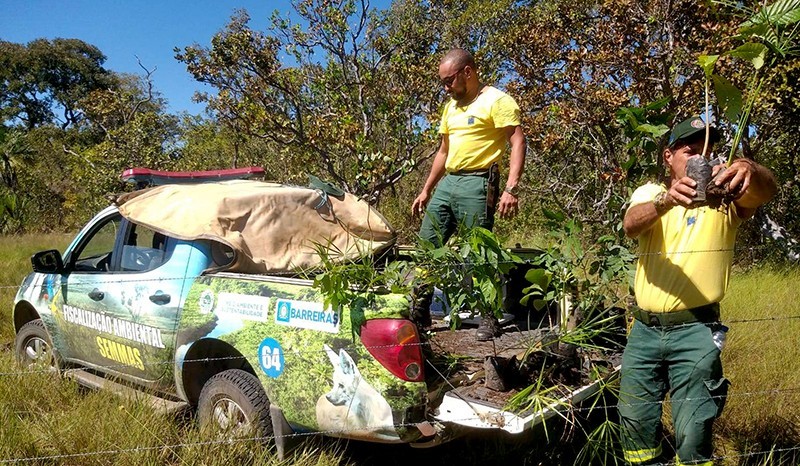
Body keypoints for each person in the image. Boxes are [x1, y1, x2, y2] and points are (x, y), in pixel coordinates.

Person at [618, 116, 777, 465]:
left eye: (707, 151)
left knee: (694, 434)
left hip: (696, 331)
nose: (700, 159)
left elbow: (766, 190)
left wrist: (748, 167)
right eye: (690, 152)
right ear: (668, 157)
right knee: (634, 425)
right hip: (644, 331)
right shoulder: (650, 193)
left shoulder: (724, 200)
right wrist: (667, 201)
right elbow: (630, 225)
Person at [410, 48, 526, 341]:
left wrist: (511, 188)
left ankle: (489, 316)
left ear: (468, 72)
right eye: (443, 82)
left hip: (479, 181)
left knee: (480, 251)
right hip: (450, 181)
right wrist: (426, 189)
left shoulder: (496, 101)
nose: (446, 88)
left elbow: (517, 141)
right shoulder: (451, 107)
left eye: (450, 81)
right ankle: (419, 311)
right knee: (428, 244)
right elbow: (443, 151)